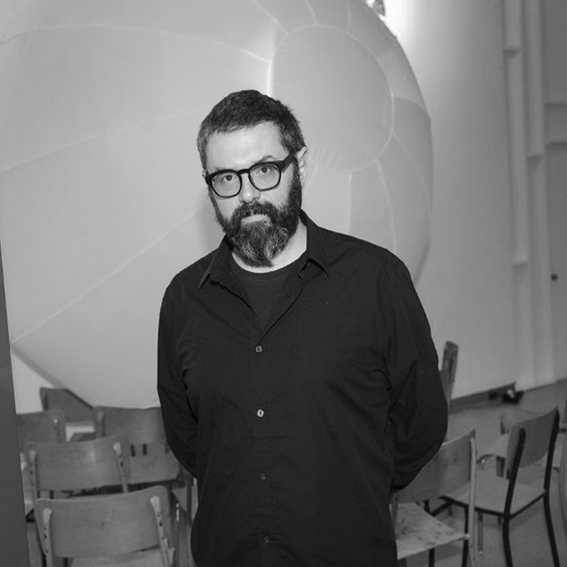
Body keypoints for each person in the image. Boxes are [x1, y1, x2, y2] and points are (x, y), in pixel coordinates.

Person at [157, 89, 448, 567]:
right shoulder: (184, 300)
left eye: (265, 170)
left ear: (301, 165)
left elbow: (422, 421)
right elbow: (189, 439)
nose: (247, 195)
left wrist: (358, 483)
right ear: (209, 186)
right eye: (227, 178)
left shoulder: (376, 280)